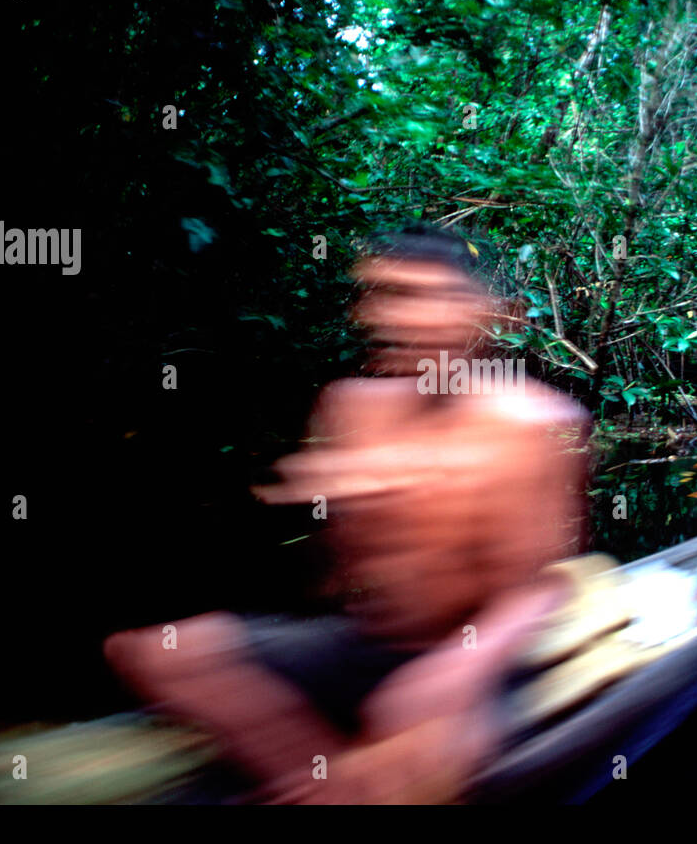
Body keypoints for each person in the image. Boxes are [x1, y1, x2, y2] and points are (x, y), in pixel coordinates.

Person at [103, 224, 591, 803]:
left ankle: (350, 776)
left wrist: (451, 676)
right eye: (382, 295)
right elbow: (330, 583)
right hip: (365, 645)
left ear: (477, 310)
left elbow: (538, 591)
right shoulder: (347, 406)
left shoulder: (532, 425)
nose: (397, 318)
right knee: (156, 652)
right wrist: (328, 503)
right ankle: (320, 778)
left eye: (420, 296)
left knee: (436, 752)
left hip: (470, 653)